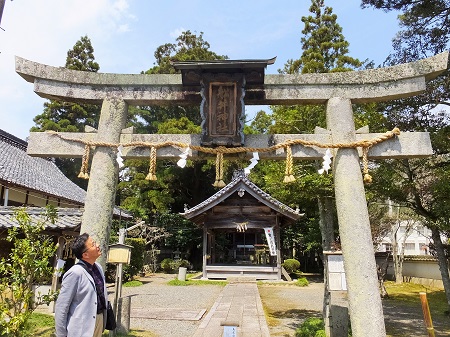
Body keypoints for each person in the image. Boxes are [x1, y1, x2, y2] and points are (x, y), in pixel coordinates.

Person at [55, 233, 108, 337]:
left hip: (98, 321)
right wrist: (61, 334)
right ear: (85, 255)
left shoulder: (98, 267)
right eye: (93, 245)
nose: (97, 245)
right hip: (81, 327)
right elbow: (62, 307)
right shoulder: (75, 273)